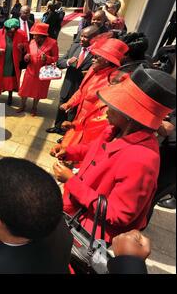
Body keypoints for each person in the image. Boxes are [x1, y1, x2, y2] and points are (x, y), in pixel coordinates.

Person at [51, 65, 176, 243]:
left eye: (113, 106)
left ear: (129, 116)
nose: (106, 109)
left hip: (87, 231)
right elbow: (94, 151)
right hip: (74, 212)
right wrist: (69, 151)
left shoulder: (143, 160)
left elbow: (119, 214)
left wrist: (72, 181)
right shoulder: (114, 131)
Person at [57, 38, 129, 148]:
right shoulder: (93, 69)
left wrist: (78, 126)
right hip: (79, 120)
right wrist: (69, 103)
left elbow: (104, 116)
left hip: (91, 128)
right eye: (93, 56)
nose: (92, 60)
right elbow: (81, 90)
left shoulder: (113, 81)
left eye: (96, 57)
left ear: (106, 60)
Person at [46, 25, 100, 135]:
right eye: (81, 36)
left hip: (80, 88)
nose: (82, 39)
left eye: (86, 37)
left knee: (73, 112)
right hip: (68, 84)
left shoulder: (97, 53)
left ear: (94, 38)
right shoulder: (75, 47)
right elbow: (60, 62)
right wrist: (68, 62)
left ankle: (67, 133)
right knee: (61, 107)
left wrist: (89, 72)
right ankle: (57, 127)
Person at [17, 23, 59, 116]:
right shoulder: (32, 42)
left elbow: (56, 58)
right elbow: (27, 55)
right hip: (30, 71)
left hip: (43, 72)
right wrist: (26, 57)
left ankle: (34, 107)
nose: (34, 36)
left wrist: (47, 58)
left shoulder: (52, 43)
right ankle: (22, 105)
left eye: (36, 35)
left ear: (42, 36)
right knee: (24, 90)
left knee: (38, 92)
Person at [0, 18, 27, 105]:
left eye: (14, 32)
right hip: (1, 62)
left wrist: (23, 46)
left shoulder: (21, 34)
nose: (11, 34)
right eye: (9, 32)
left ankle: (10, 96)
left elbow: (26, 45)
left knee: (12, 79)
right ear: (5, 28)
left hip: (13, 62)